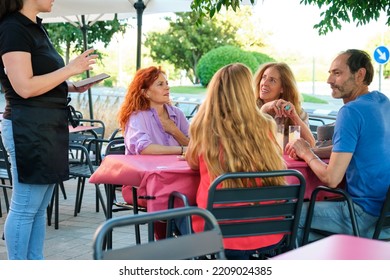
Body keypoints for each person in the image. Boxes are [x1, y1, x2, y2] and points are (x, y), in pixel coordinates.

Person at [0, 0, 98, 259]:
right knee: (25, 205)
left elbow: (42, 79)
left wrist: (72, 85)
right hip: (27, 127)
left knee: (40, 206)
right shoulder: (12, 28)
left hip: (47, 125)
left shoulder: (34, 27)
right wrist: (70, 68)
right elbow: (24, 87)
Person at [286, 49, 390, 244]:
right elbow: (353, 146)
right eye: (330, 73)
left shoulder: (351, 111)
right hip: (385, 219)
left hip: (363, 214)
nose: (329, 80)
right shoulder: (383, 102)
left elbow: (331, 179)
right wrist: (314, 151)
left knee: (289, 215)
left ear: (360, 75)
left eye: (337, 73)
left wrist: (307, 154)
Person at [185, 63, 287, 259]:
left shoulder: (205, 128)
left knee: (177, 212)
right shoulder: (265, 125)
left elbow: (193, 163)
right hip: (268, 231)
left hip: (218, 233)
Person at [117, 66, 190, 208]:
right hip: (142, 184)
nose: (167, 88)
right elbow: (145, 148)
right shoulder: (137, 117)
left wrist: (175, 131)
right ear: (145, 93)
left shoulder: (177, 114)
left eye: (167, 83)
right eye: (160, 84)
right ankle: (170, 229)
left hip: (176, 178)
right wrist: (182, 149)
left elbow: (194, 144)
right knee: (178, 201)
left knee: (196, 196)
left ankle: (177, 228)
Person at [254, 62, 315, 148]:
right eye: (264, 77)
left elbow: (311, 145)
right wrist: (264, 109)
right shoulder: (249, 108)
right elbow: (252, 145)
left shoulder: (295, 111)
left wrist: (295, 117)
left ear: (282, 88)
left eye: (272, 80)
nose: (264, 83)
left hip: (286, 161)